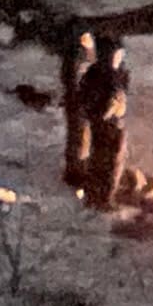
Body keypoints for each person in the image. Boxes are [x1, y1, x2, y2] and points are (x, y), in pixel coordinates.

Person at [80, 31, 132, 207]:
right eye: (116, 54)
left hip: (116, 124)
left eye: (121, 54)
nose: (119, 58)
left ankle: (107, 195)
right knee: (100, 160)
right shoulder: (96, 74)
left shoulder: (120, 74)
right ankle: (96, 197)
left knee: (114, 160)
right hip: (102, 124)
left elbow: (122, 96)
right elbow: (87, 99)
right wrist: (105, 112)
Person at [58, 26, 96, 194]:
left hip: (88, 103)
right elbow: (73, 80)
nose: (87, 40)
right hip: (78, 103)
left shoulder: (92, 54)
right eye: (84, 37)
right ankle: (74, 171)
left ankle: (82, 168)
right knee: (78, 137)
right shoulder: (76, 57)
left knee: (86, 136)